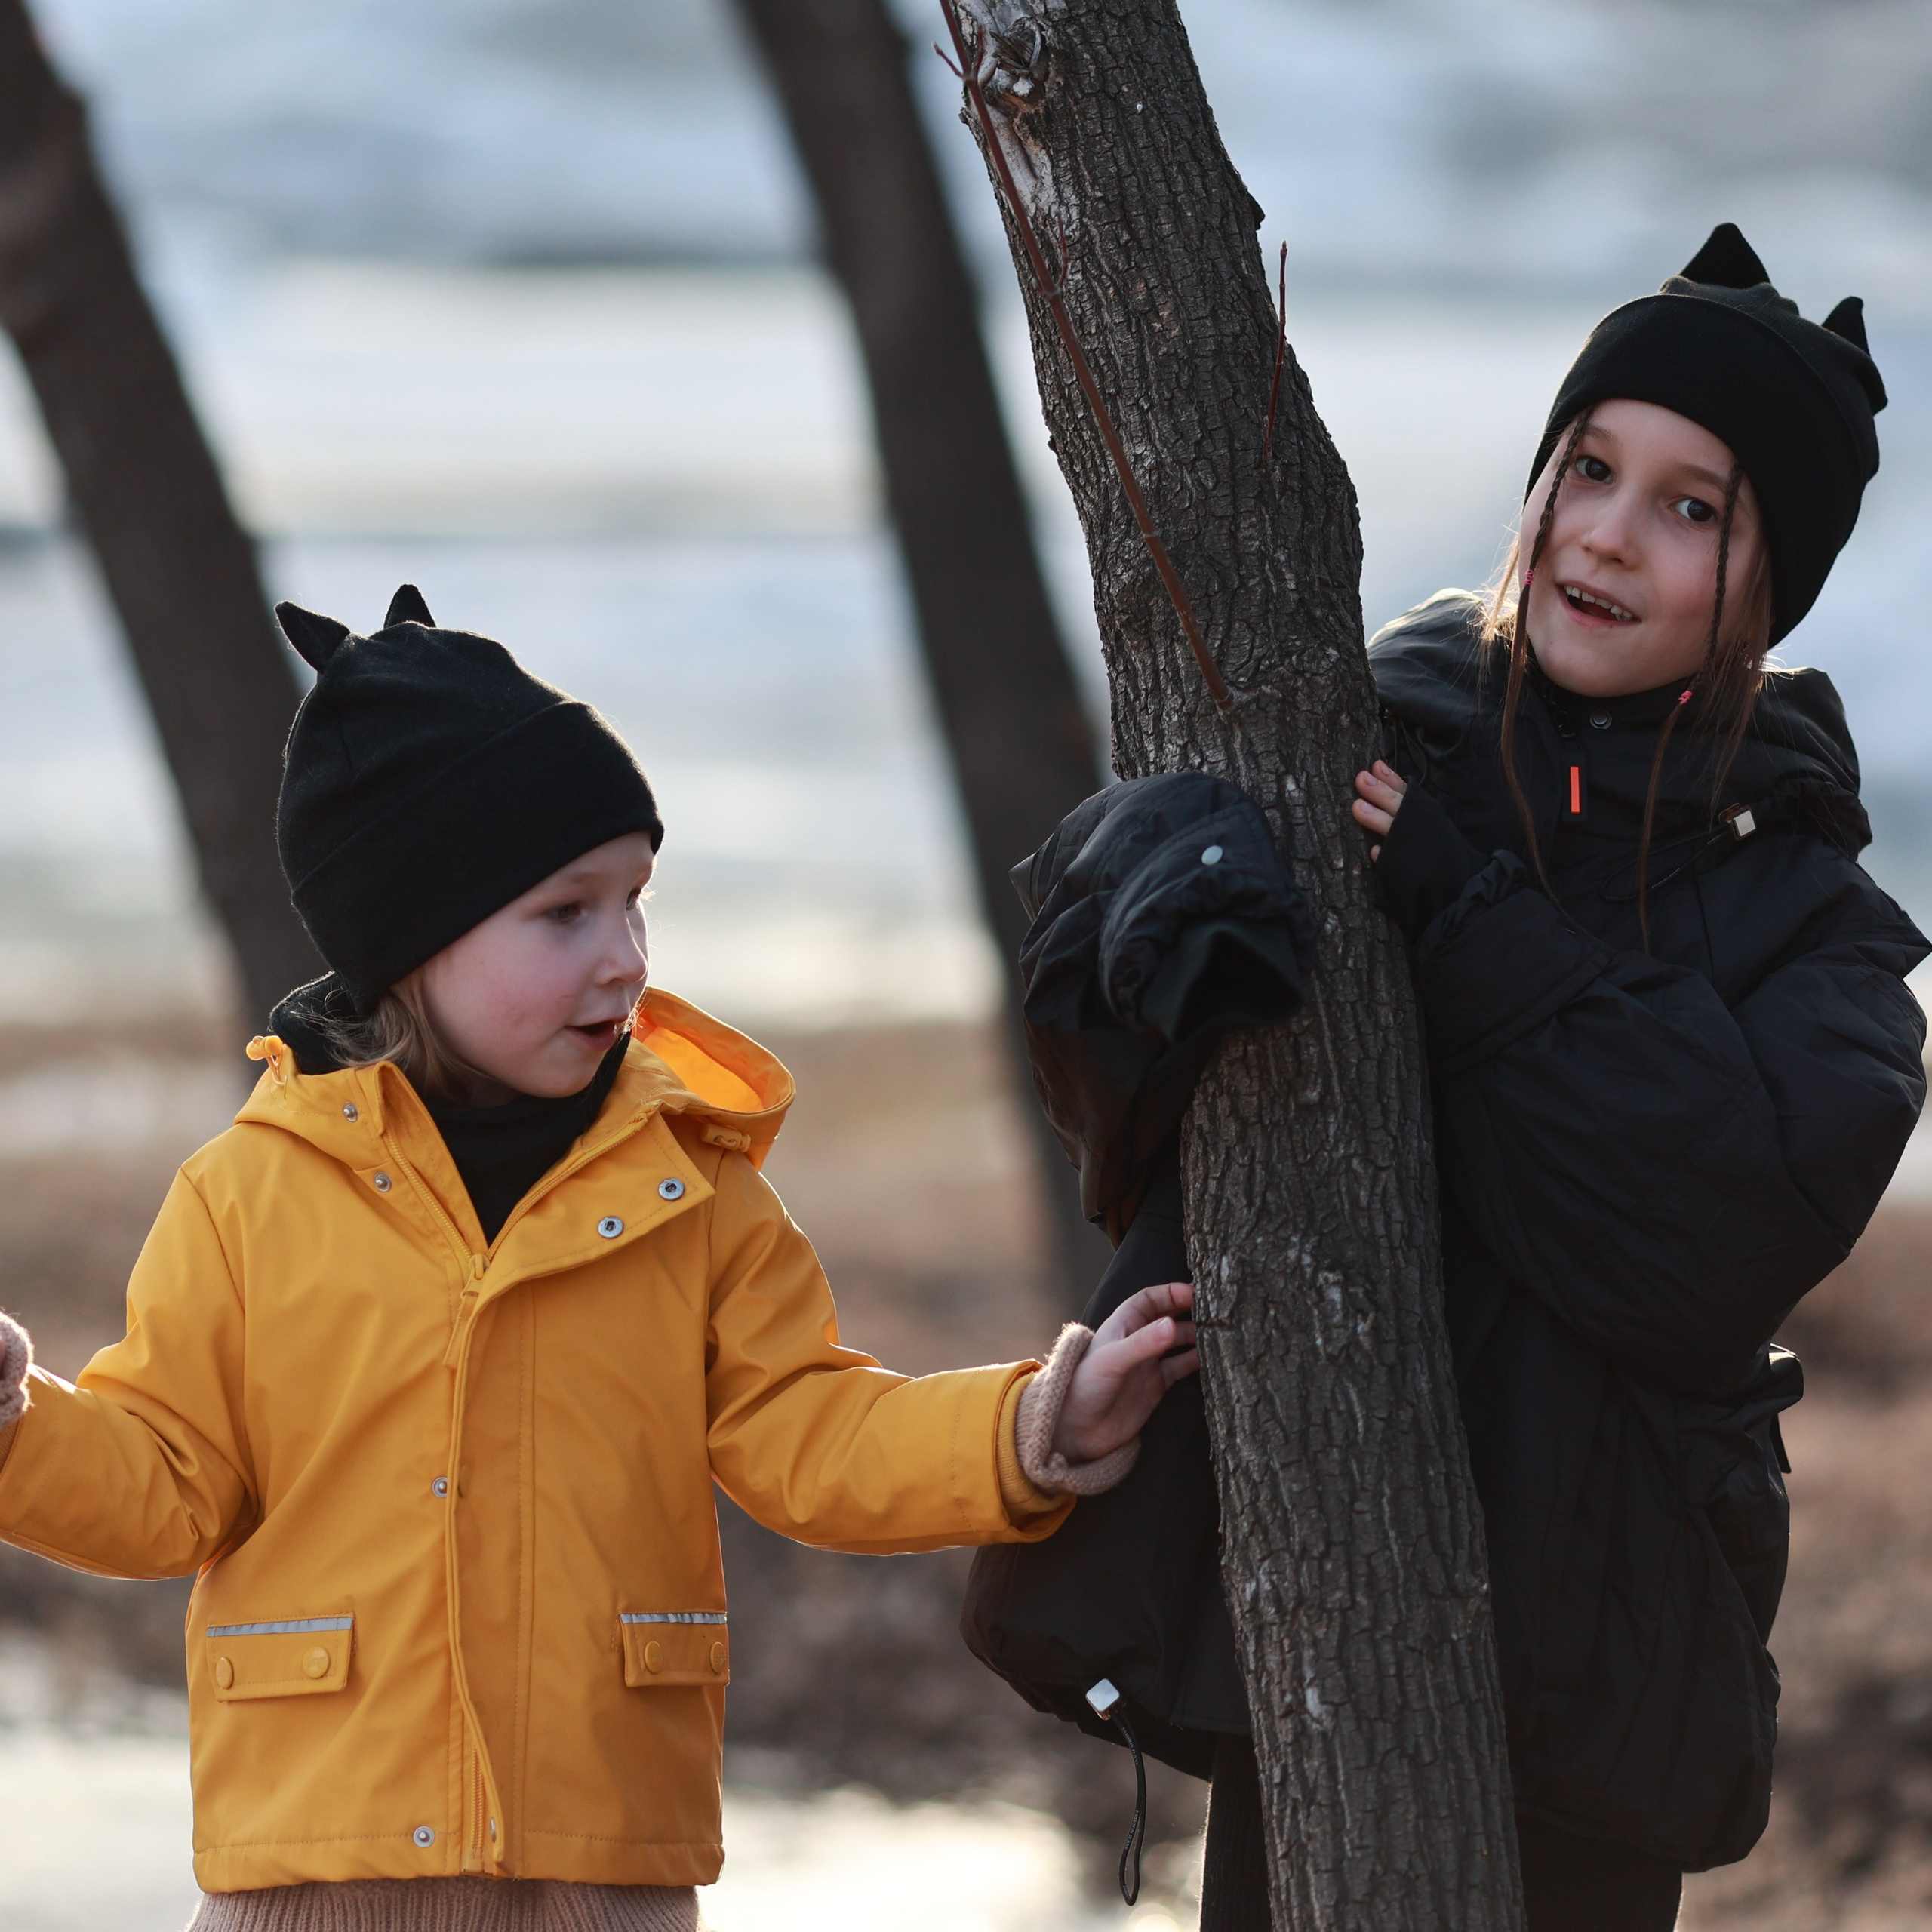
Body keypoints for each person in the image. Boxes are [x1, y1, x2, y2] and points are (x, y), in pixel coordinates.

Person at [0, 584, 1198, 1931]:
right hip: (316, 1875)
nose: (625, 959)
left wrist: (1029, 1428)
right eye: (566, 912)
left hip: (604, 1873)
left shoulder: (693, 1188)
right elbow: (162, 1491)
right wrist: (13, 1422)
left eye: (636, 902)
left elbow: (814, 1429)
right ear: (413, 933)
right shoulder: (246, 1196)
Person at [1328, 223, 1925, 1929]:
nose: (1603, 531)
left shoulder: (1820, 935)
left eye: (1689, 507)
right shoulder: (1369, 747)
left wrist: (1467, 922)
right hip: (1322, 1613)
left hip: (1603, 1660)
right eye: (1586, 468)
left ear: (1767, 590)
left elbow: (1709, 1243)